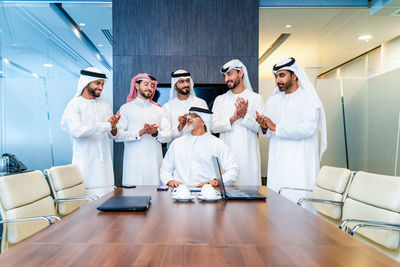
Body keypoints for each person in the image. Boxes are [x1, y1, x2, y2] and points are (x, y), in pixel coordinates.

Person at [256, 57, 327, 203]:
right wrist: (264, 126)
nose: (278, 80)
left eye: (282, 75)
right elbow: (269, 133)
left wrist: (276, 127)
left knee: (298, 205)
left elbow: (309, 129)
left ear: (294, 76)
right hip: (277, 163)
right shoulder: (273, 100)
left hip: (299, 163)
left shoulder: (309, 99)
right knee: (276, 203)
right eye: (276, 76)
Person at [61, 67, 120, 196]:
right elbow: (77, 131)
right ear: (86, 82)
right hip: (85, 163)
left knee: (106, 199)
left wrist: (114, 126)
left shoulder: (104, 105)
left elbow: (112, 134)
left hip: (104, 165)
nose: (101, 87)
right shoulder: (74, 105)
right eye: (98, 83)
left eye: (103, 84)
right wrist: (106, 125)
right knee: (86, 204)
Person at [211, 59, 264, 186]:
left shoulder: (256, 98)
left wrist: (245, 115)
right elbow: (213, 128)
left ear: (241, 73)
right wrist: (233, 118)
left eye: (230, 74)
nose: (226, 79)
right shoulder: (220, 100)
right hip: (226, 155)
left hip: (248, 156)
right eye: (225, 76)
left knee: (249, 196)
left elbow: (261, 129)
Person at [160, 107, 238, 187]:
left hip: (208, 194)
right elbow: (165, 170)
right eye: (189, 115)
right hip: (180, 194)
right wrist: (169, 180)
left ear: (203, 121)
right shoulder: (177, 143)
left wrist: (217, 181)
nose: (189, 117)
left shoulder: (217, 143)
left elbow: (233, 170)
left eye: (194, 115)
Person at [115, 73, 171, 186]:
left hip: (154, 165)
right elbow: (117, 136)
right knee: (132, 199)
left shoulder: (160, 110)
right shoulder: (126, 109)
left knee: (156, 200)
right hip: (133, 166)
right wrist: (139, 133)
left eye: (152, 86)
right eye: (146, 84)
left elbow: (168, 136)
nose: (149, 88)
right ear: (136, 86)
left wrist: (155, 133)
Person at [163, 70, 208, 143]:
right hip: (177, 150)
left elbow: (207, 129)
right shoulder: (167, 107)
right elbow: (166, 137)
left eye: (187, 81)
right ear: (175, 85)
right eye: (181, 82)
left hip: (198, 147)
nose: (186, 84)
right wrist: (180, 127)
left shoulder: (200, 103)